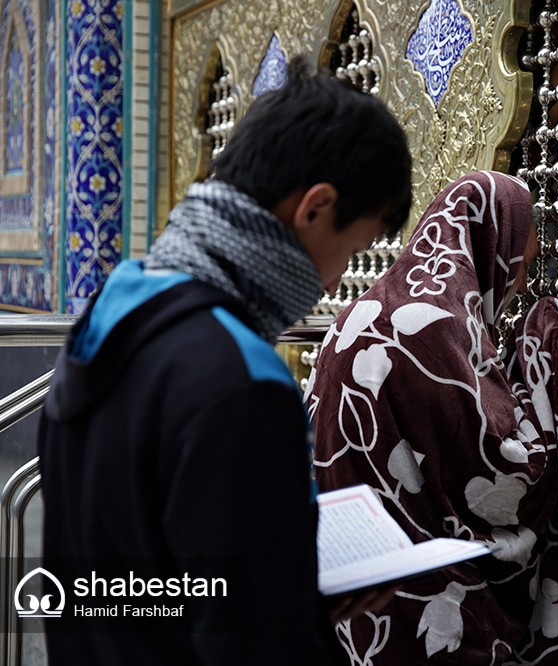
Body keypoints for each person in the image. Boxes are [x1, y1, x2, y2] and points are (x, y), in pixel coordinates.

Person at [37, 57, 411, 665]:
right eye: (355, 247)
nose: (340, 278)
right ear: (315, 207)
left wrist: (289, 593)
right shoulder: (241, 382)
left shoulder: (113, 314)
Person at [304, 170, 558, 664]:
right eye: (520, 265)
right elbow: (498, 476)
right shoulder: (433, 328)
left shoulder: (366, 310)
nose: (520, 285)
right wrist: (543, 370)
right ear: (489, 247)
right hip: (408, 603)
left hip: (348, 591)